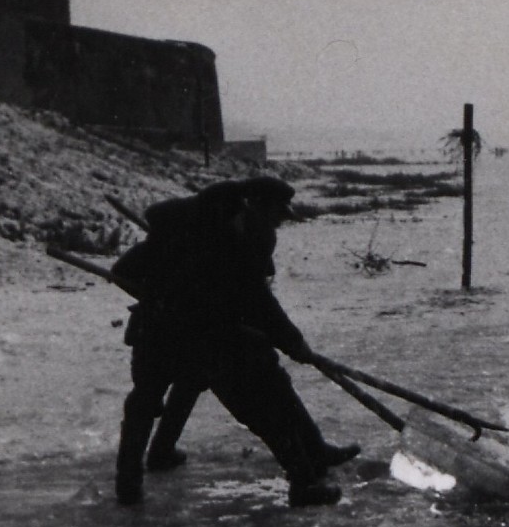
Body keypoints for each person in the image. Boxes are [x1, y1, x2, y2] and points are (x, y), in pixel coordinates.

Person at [111, 177, 360, 507]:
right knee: (260, 400)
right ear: (251, 206)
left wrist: (163, 300)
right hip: (191, 337)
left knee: (161, 395)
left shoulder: (199, 230)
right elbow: (259, 302)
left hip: (163, 332)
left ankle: (142, 471)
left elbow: (247, 297)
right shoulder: (223, 242)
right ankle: (303, 482)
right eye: (275, 213)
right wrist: (292, 342)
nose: (279, 221)